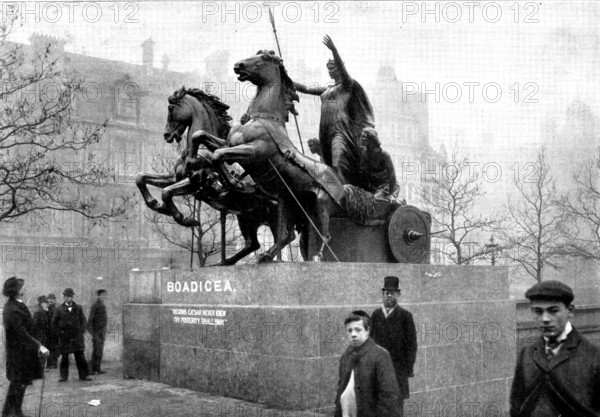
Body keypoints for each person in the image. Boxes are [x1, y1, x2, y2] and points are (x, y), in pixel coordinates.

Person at [510, 280, 600, 416]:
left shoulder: (593, 356)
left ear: (570, 311)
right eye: (538, 312)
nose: (545, 319)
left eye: (553, 311)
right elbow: (516, 407)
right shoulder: (527, 354)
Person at [294, 35, 374, 186]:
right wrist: (284, 78)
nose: (329, 70)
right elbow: (305, 88)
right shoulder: (327, 90)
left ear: (339, 68)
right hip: (325, 131)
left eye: (333, 67)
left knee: (338, 163)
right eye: (328, 68)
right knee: (327, 165)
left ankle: (343, 196)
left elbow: (344, 72)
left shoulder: (347, 86)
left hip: (340, 131)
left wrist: (334, 50)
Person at [334, 310, 400, 417]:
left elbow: (389, 396)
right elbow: (341, 388)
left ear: (367, 331)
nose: (353, 334)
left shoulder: (380, 355)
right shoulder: (346, 356)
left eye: (358, 330)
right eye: (349, 331)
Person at [2, 277, 49, 417]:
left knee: (19, 385)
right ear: (16, 291)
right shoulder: (11, 308)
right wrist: (39, 346)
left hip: (23, 353)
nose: (25, 288)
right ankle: (9, 414)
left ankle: (16, 412)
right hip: (18, 354)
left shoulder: (18, 304)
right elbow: (21, 333)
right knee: (17, 386)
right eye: (22, 287)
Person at [371, 276, 418, 417]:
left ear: (398, 294)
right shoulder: (376, 315)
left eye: (392, 292)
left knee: (396, 411)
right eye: (387, 293)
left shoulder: (405, 316)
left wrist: (406, 370)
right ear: (383, 294)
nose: (389, 295)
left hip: (398, 373)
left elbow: (412, 346)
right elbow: (370, 343)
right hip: (378, 373)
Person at [51, 288, 92, 382]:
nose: (68, 298)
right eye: (66, 296)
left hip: (77, 337)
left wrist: (81, 331)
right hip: (65, 338)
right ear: (64, 297)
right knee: (64, 358)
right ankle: (63, 377)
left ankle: (84, 376)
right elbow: (54, 324)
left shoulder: (78, 308)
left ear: (72, 297)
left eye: (69, 296)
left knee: (80, 357)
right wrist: (60, 333)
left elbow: (84, 321)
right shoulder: (59, 309)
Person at [358, 128, 399, 200]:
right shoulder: (364, 152)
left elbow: (392, 175)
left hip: (388, 186)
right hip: (374, 188)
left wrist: (391, 194)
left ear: (371, 140)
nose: (361, 138)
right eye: (361, 136)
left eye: (364, 137)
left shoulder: (384, 155)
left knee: (374, 201)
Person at [87, 289, 108, 375]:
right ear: (98, 296)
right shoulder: (95, 306)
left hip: (101, 332)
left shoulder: (102, 305)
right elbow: (90, 321)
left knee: (99, 351)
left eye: (105, 295)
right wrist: (93, 333)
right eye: (102, 295)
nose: (104, 297)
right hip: (96, 332)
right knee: (96, 351)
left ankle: (97, 369)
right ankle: (92, 369)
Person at [46, 293, 59, 369]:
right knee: (50, 346)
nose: (51, 300)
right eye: (50, 299)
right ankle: (50, 363)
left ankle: (54, 363)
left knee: (54, 347)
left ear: (55, 300)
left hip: (54, 331)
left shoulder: (55, 309)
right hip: (48, 331)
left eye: (52, 299)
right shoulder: (47, 309)